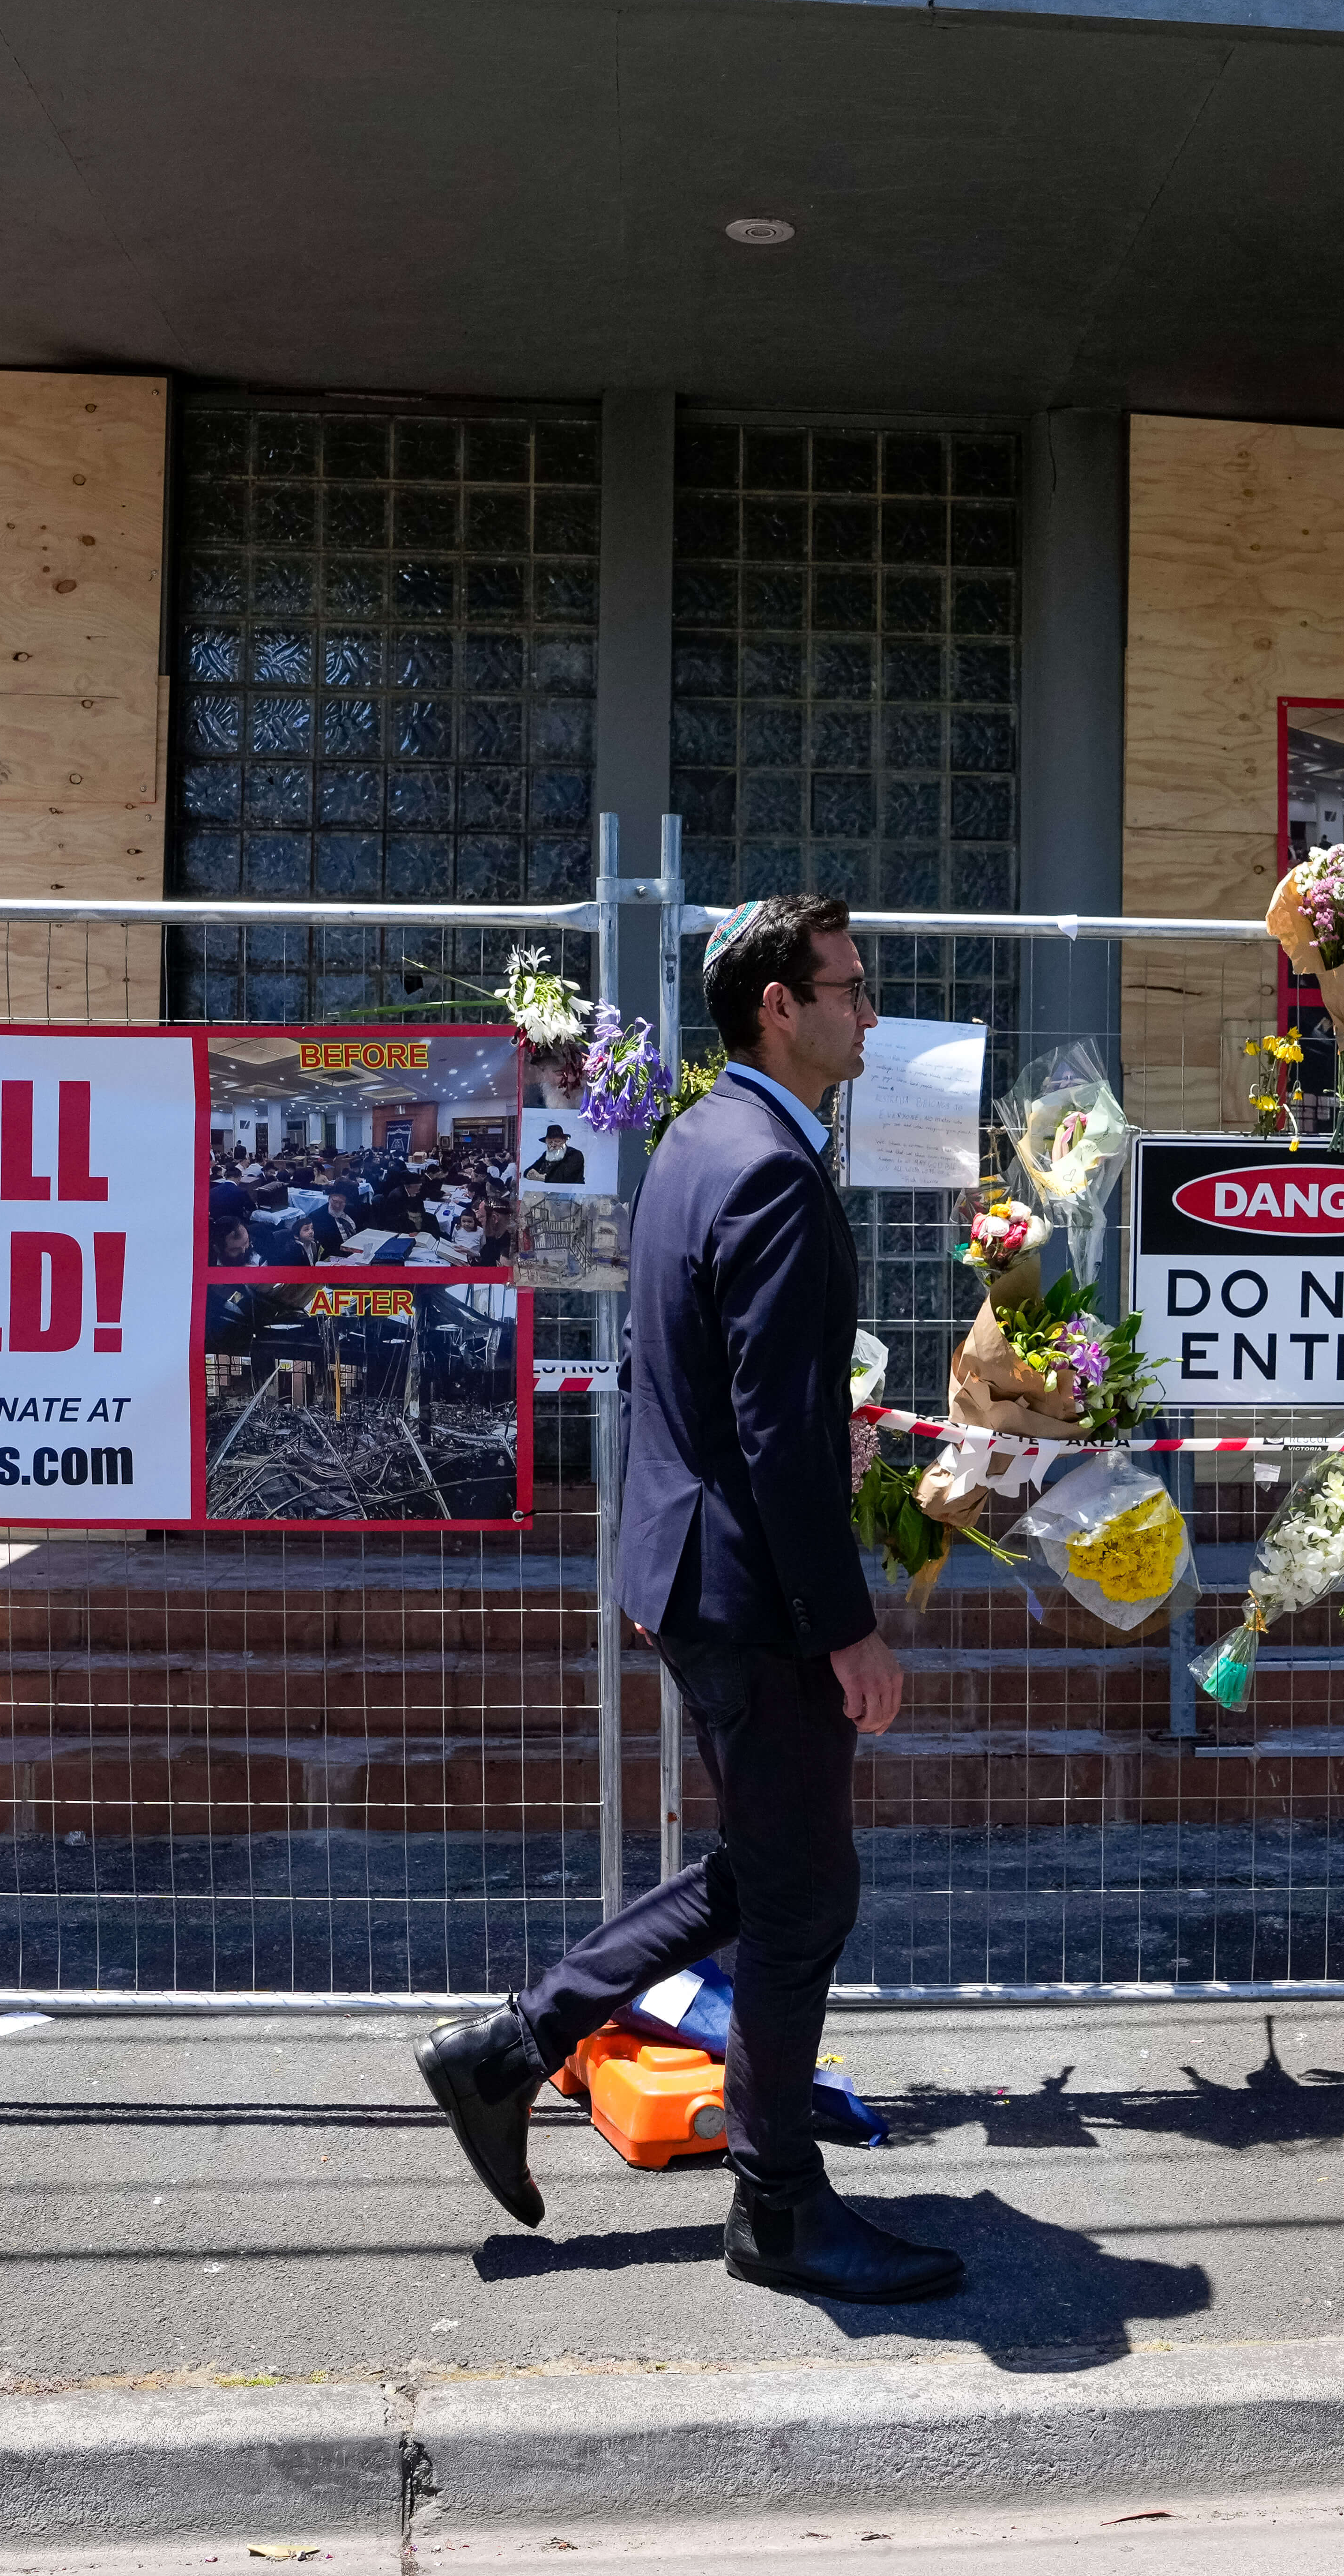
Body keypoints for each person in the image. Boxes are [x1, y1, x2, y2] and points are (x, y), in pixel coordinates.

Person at [415, 893, 955, 2304]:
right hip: (753, 1592)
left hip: (687, 1567)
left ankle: (509, 2052)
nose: (869, 1011)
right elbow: (775, 1435)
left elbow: (704, 1388)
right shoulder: (768, 1165)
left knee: (764, 1869)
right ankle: (778, 2210)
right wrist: (850, 1629)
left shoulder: (698, 1143)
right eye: (848, 986)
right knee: (804, 1898)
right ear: (778, 1004)